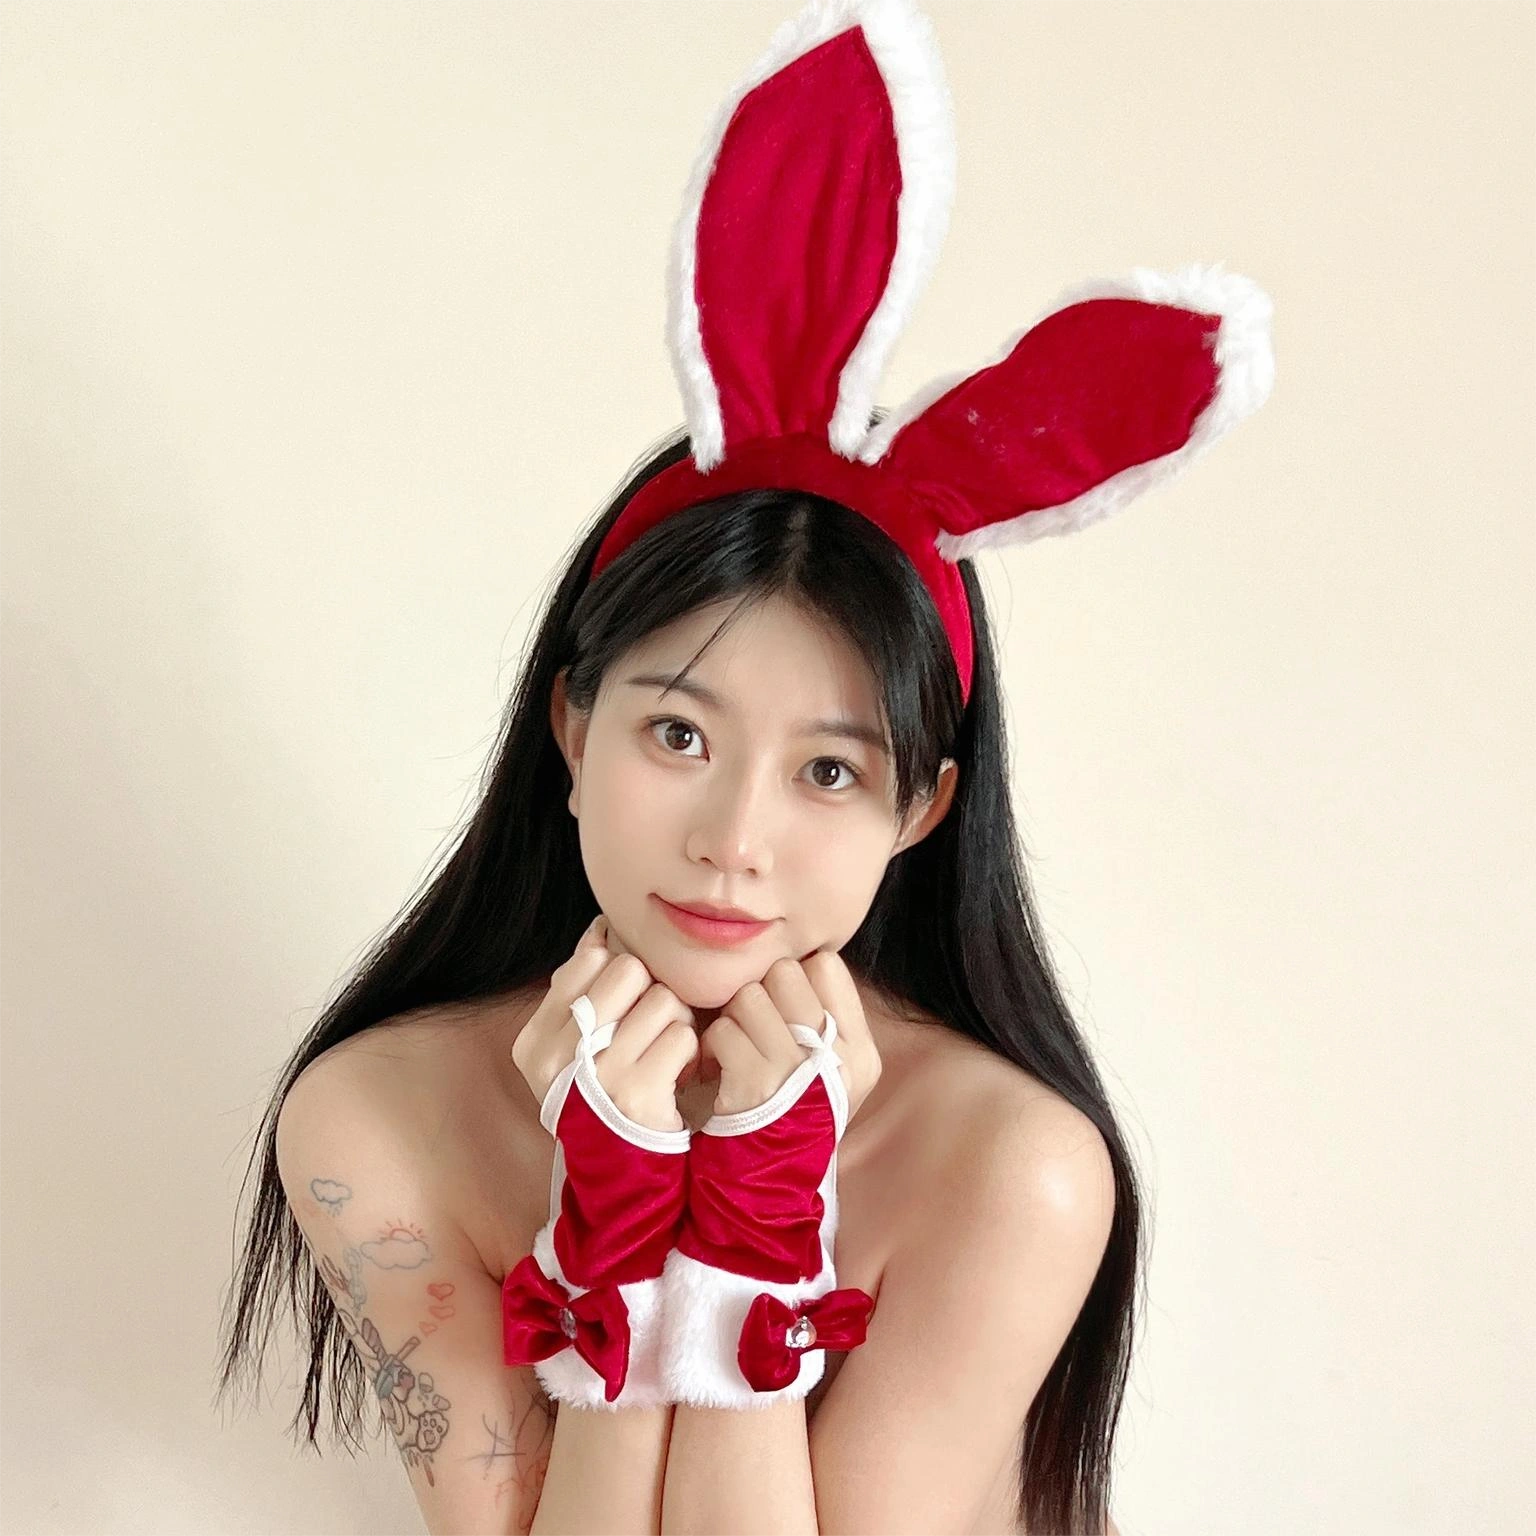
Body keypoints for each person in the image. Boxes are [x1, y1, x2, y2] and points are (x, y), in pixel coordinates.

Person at [215, 1, 1273, 1532]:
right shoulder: (371, 1117)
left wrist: (752, 1238)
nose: (733, 839)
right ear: (572, 728)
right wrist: (620, 1214)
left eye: (829, 774)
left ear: (923, 809)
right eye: (680, 735)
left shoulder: (1015, 1167)